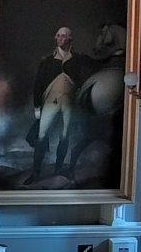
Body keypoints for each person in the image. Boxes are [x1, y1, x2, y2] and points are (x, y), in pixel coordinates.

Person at [28, 25, 93, 181]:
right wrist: (37, 106)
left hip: (69, 102)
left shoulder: (78, 60)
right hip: (51, 101)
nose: (60, 38)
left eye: (63, 35)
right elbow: (38, 84)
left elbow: (85, 78)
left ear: (70, 38)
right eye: (58, 35)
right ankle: (36, 173)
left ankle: (58, 169)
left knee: (64, 136)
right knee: (41, 136)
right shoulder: (47, 61)